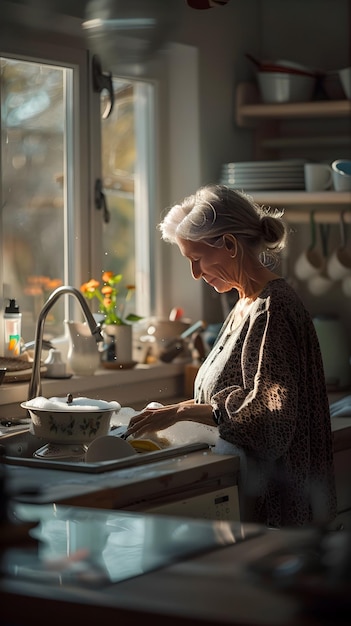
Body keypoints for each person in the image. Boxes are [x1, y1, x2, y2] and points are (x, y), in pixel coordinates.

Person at [125, 184, 337, 528]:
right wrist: (174, 414)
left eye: (197, 259)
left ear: (229, 245)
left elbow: (271, 417)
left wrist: (181, 411)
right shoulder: (244, 304)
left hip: (279, 508)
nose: (195, 274)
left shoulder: (274, 308)